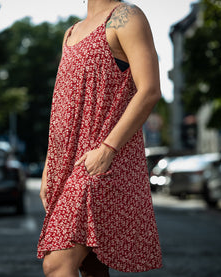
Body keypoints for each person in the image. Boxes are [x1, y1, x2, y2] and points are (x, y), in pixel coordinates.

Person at [37, 0, 162, 276]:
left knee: (57, 263)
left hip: (102, 161)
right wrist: (50, 164)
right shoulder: (70, 33)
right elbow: (63, 106)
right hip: (67, 162)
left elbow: (150, 89)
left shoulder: (126, 16)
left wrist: (108, 148)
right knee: (91, 266)